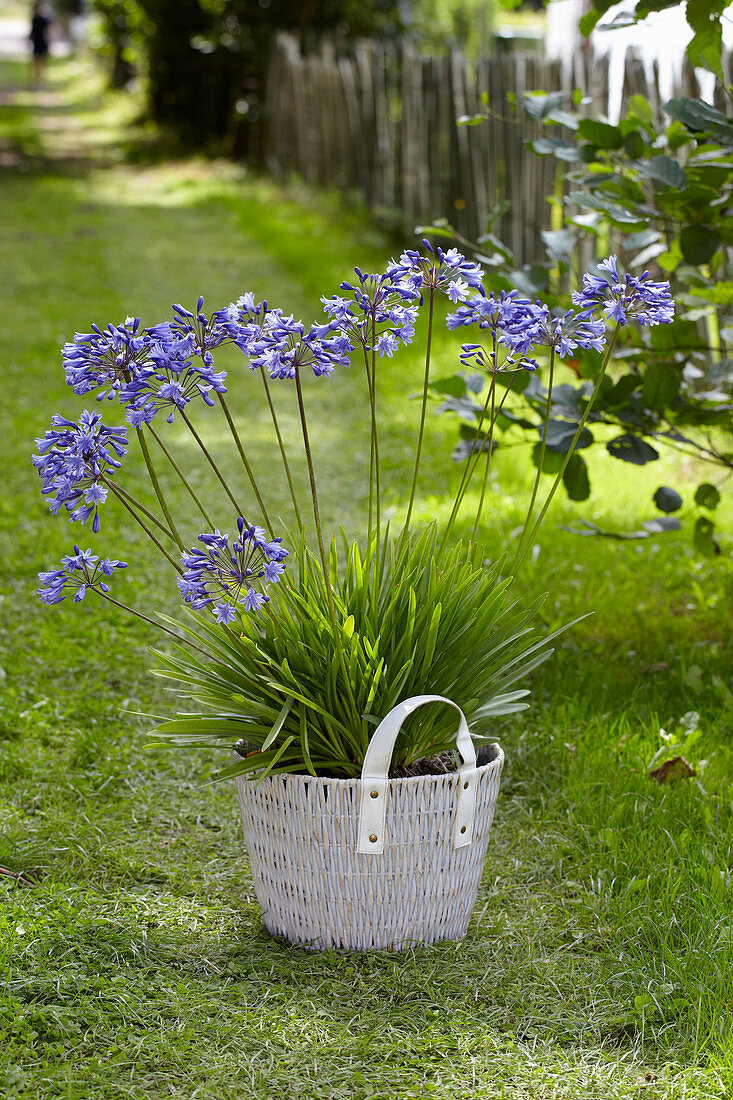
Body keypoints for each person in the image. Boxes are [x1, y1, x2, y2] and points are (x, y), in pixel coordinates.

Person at [29, 2, 52, 87]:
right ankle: (37, 81)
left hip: (42, 42)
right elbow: (32, 31)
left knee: (43, 62)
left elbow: (48, 31)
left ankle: (43, 81)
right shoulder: (35, 19)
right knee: (37, 62)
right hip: (37, 42)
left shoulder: (44, 19)